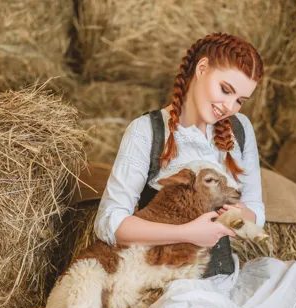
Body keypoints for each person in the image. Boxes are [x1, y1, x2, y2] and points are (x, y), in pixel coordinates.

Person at [94, 32, 265, 277]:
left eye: (240, 100)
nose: (229, 107)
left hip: (223, 281)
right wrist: (187, 233)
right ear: (202, 68)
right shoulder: (146, 131)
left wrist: (237, 213)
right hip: (161, 281)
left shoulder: (240, 129)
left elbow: (256, 212)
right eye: (225, 90)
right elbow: (109, 223)